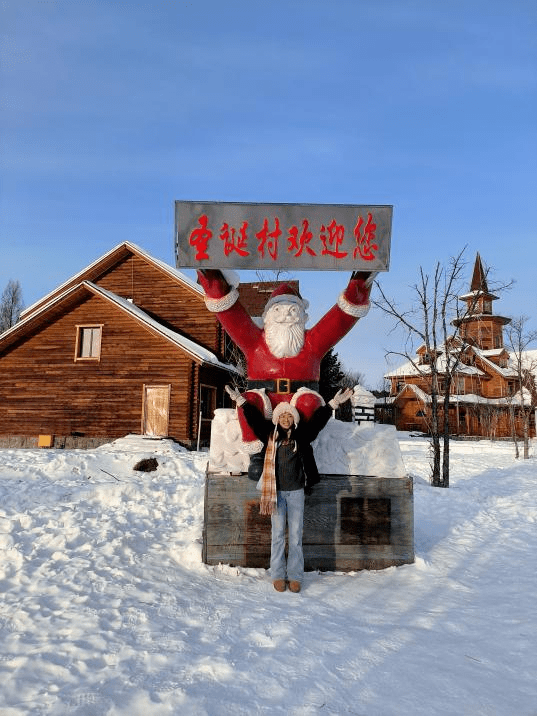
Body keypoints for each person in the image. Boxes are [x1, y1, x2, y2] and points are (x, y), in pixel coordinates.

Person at [198, 269, 372, 453]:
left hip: (300, 394)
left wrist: (357, 289)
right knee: (248, 402)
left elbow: (339, 321)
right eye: (278, 310)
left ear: (303, 317)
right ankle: (256, 454)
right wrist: (215, 285)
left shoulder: (313, 342)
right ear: (267, 316)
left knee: (309, 403)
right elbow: (232, 316)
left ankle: (300, 451)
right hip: (264, 394)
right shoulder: (255, 342)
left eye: (292, 310)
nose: (285, 316)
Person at [226, 384, 353, 593]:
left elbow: (318, 422)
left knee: (295, 536)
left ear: (294, 419)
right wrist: (240, 401)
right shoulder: (269, 435)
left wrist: (333, 404)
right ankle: (277, 574)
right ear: (277, 419)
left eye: (289, 416)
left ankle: (294, 575)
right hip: (275, 494)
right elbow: (254, 420)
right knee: (277, 535)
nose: (286, 419)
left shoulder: (302, 435)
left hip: (296, 493)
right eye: (282, 416)